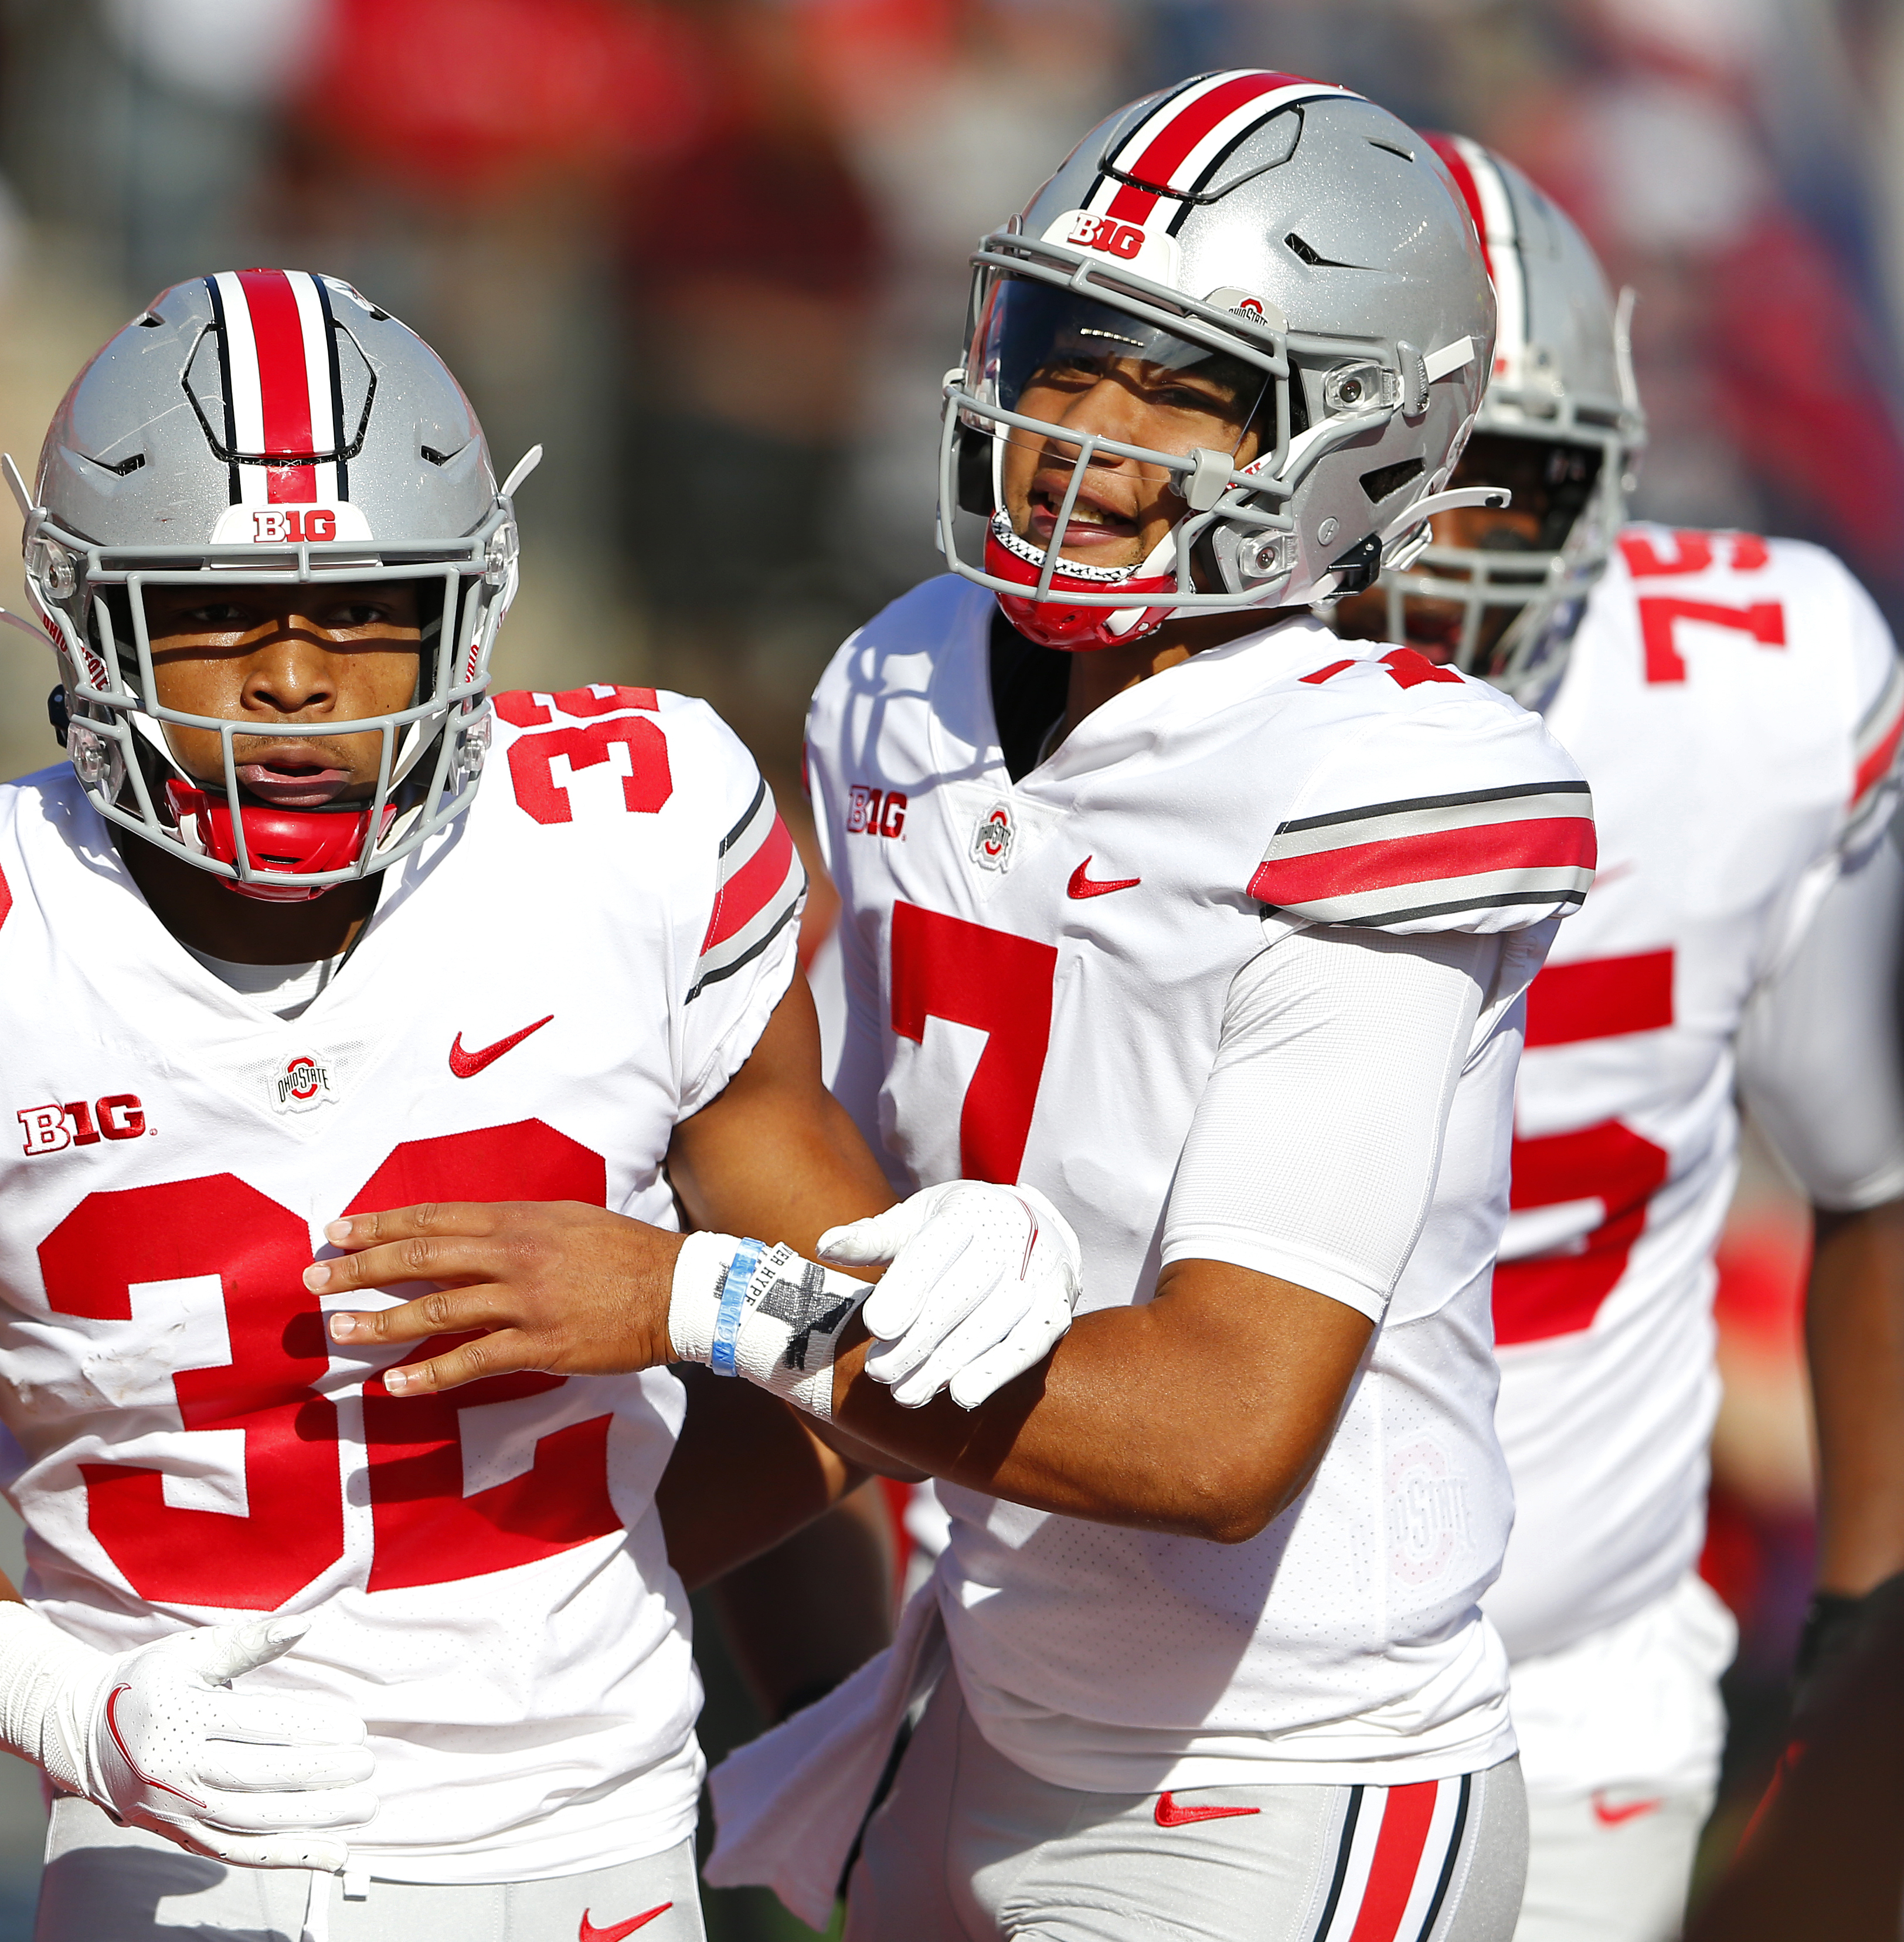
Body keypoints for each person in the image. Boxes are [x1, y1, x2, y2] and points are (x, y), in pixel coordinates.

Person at [311, 74, 1592, 1939]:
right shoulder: (904, 677)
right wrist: (474, 1631)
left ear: (1363, 440)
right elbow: (859, 1275)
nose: (1082, 428)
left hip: (1285, 1772)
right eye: (1067, 353)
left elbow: (1223, 1431)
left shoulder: (1376, 780)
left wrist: (679, 1297)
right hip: (977, 1700)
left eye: (1181, 386)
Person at [0, 269, 896, 1942]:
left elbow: (846, 1360)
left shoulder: (638, 835)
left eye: (363, 606)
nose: (295, 676)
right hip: (184, 1867)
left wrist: (596, 1548)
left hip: (604, 1858)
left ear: (468, 608)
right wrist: (78, 1711)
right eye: (219, 610)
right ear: (80, 616)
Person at [1328, 134, 1904, 1942]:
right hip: (1144, 1663)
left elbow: (1874, 1180)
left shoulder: (1767, 692)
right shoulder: (1056, 703)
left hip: (1575, 1683)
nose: (1437, 546)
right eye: (1384, 471)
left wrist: (1866, 1629)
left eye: (1499, 479)